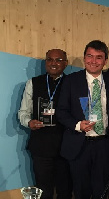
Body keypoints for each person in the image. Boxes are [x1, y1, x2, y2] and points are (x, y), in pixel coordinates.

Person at [56, 40, 109, 199]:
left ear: (105, 61)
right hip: (79, 145)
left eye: (98, 57)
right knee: (81, 191)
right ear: (84, 58)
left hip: (104, 144)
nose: (93, 61)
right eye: (90, 56)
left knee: (102, 191)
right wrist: (77, 125)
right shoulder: (70, 81)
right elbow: (61, 111)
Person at [18, 49, 72, 199]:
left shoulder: (72, 83)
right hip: (41, 146)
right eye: (50, 59)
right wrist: (29, 122)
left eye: (58, 60)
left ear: (66, 64)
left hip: (65, 146)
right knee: (43, 191)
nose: (53, 63)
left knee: (65, 190)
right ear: (46, 62)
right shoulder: (33, 83)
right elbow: (23, 112)